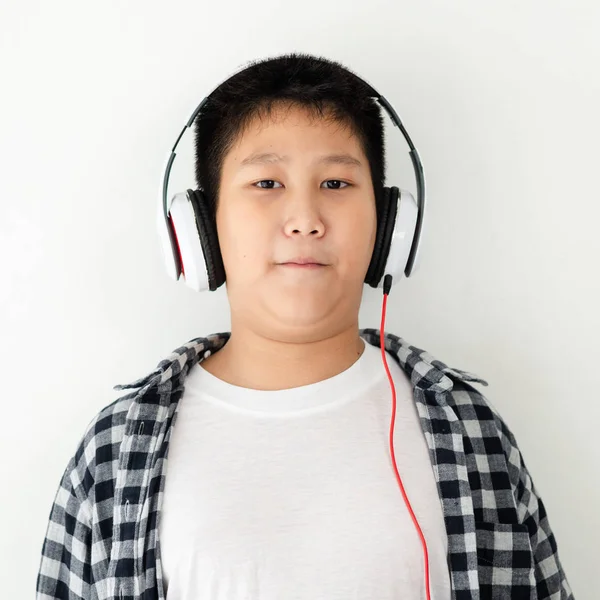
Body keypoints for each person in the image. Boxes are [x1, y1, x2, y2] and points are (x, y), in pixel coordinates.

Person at [36, 52, 574, 599]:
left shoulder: (471, 431)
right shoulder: (116, 450)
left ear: (391, 224)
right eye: (266, 183)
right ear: (200, 226)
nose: (306, 220)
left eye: (336, 184)